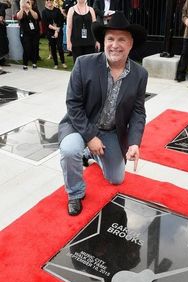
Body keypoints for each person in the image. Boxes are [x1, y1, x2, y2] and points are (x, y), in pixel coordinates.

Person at [58, 11, 148, 216]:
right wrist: (90, 137)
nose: (115, 45)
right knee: (71, 150)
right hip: (79, 125)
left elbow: (138, 111)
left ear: (130, 44)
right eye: (110, 39)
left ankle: (91, 156)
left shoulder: (140, 74)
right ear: (103, 42)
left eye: (121, 39)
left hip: (111, 131)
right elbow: (73, 104)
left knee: (116, 178)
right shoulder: (83, 63)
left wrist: (134, 143)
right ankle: (74, 193)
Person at [42, 0, 67, 69]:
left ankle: (63, 62)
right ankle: (56, 63)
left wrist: (56, 31)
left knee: (59, 47)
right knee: (53, 48)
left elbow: (60, 21)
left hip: (59, 31)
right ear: (45, 2)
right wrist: (54, 29)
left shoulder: (57, 10)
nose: (49, 2)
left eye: (50, 0)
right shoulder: (44, 12)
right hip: (50, 32)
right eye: (47, 1)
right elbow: (46, 23)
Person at [16, 0, 39, 70]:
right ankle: (25, 63)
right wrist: (22, 8)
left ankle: (34, 62)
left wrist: (30, 9)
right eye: (25, 2)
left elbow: (36, 17)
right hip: (25, 33)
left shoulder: (33, 10)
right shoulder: (20, 11)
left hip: (34, 33)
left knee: (34, 47)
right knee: (27, 48)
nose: (26, 4)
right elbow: (19, 17)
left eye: (28, 2)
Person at [0, 0, 11, 68]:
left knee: (4, 43)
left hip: (2, 28)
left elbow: (9, 5)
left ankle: (2, 61)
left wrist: (8, 1)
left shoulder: (2, 4)